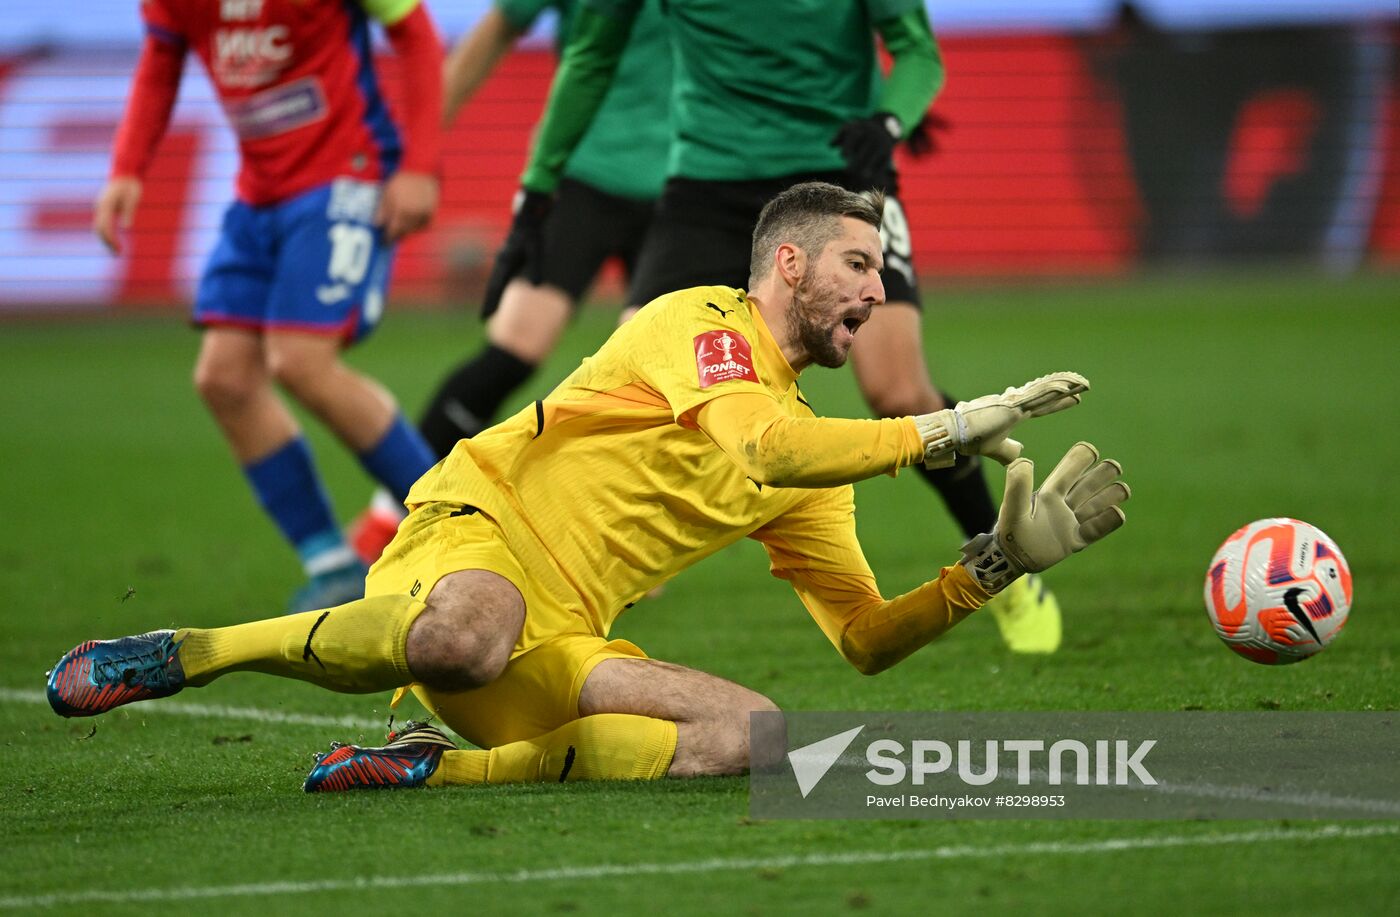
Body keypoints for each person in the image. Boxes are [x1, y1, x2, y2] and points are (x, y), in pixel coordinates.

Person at [48, 183, 1129, 792]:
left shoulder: (816, 449)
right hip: (476, 534)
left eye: (882, 277)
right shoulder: (698, 323)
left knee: (754, 737)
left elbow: (860, 635)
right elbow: (754, 446)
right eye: (857, 267)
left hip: (563, 634)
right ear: (788, 267)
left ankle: (434, 770)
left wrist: (989, 566)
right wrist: (940, 424)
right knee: (463, 633)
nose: (874, 291)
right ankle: (187, 651)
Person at [491, 0, 1068, 653]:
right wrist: (536, 193)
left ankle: (1002, 560)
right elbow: (591, 56)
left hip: (841, 175)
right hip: (709, 186)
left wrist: (888, 120)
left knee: (899, 391)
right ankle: (559, 588)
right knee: (639, 397)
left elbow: (916, 50)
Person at [92, 0, 446, 613]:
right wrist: (126, 169)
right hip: (259, 194)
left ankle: (459, 523)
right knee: (224, 379)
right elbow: (160, 59)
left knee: (302, 362)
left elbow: (413, 32)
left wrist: (419, 168)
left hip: (348, 171)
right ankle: (333, 566)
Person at [351, 0, 672, 559]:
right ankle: (390, 516)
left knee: (664, 378)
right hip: (579, 175)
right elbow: (494, 32)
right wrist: (417, 152)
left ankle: (631, 541)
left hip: (687, 186)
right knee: (511, 351)